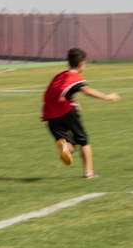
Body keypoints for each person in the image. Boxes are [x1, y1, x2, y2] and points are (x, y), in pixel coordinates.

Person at [42, 48, 121, 179]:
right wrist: (108, 97)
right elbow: (87, 91)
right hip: (66, 113)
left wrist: (75, 102)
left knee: (70, 147)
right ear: (81, 64)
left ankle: (65, 147)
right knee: (83, 140)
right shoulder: (75, 78)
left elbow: (59, 93)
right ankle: (89, 173)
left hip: (50, 115)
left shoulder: (59, 76)